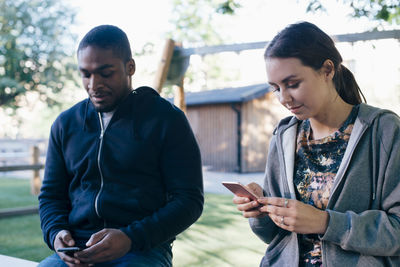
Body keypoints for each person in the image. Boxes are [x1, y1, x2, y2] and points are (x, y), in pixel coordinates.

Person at [233, 21, 400, 266]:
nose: (284, 98)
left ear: (327, 70)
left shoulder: (383, 129)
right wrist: (260, 212)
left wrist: (326, 222)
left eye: (292, 84)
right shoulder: (283, 135)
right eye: (276, 88)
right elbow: (272, 236)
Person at [38, 25, 204, 267]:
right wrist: (56, 233)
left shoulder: (166, 120)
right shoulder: (65, 124)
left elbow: (189, 200)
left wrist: (130, 238)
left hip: (142, 250)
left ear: (130, 67)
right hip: (77, 249)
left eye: (105, 73)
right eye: (86, 74)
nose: (94, 85)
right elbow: (51, 195)